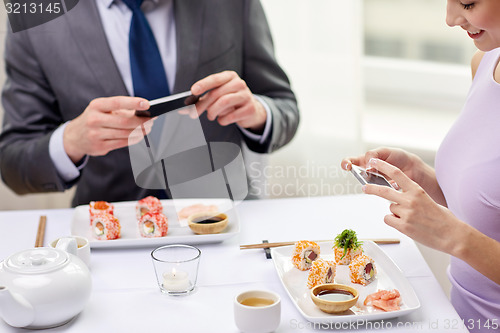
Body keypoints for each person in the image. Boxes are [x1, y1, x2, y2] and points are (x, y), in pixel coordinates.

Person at [0, 0, 299, 206]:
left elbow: (284, 106)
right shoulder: (33, 14)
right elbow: (12, 162)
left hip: (226, 220)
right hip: (109, 233)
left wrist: (259, 113)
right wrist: (70, 141)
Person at [342, 1, 500, 329]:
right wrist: (422, 175)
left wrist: (453, 236)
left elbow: (468, 230)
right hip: (457, 318)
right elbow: (488, 205)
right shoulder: (486, 62)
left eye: (468, 3)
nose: (450, 19)